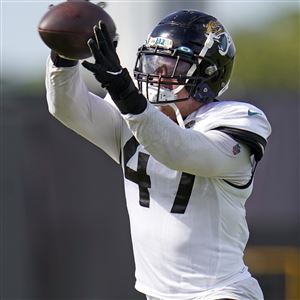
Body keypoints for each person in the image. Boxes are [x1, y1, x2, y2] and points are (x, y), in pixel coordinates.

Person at [45, 9, 271, 300]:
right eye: (154, 62)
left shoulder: (238, 120)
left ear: (207, 75)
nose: (158, 75)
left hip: (221, 292)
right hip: (156, 294)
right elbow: (67, 107)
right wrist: (64, 54)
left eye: (172, 66)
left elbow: (178, 150)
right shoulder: (134, 115)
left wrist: (127, 95)